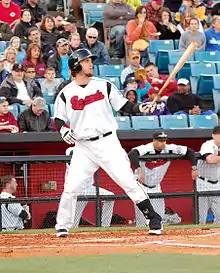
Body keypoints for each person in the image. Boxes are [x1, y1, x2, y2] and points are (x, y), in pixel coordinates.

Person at [54, 48, 163, 237]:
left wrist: (140, 107)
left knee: (128, 181)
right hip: (83, 146)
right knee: (71, 187)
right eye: (86, 61)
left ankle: (153, 218)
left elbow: (125, 106)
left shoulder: (104, 85)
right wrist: (63, 130)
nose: (90, 64)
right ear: (75, 65)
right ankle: (62, 225)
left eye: (90, 60)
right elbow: (58, 119)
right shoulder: (65, 93)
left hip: (107, 142)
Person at [128, 131, 198, 227]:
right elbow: (132, 153)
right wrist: (139, 170)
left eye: (164, 140)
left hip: (156, 187)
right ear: (154, 141)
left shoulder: (169, 149)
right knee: (142, 220)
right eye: (160, 141)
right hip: (142, 187)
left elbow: (189, 151)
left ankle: (156, 235)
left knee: (159, 216)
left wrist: (194, 168)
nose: (163, 143)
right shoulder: (147, 148)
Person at [65, 147, 115, 228]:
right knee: (73, 225)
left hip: (89, 188)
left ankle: (105, 227)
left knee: (110, 197)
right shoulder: (71, 150)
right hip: (76, 189)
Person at [197, 126, 220, 224]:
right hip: (203, 184)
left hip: (217, 183)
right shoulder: (207, 145)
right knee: (201, 218)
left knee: (219, 217)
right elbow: (210, 160)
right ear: (213, 135)